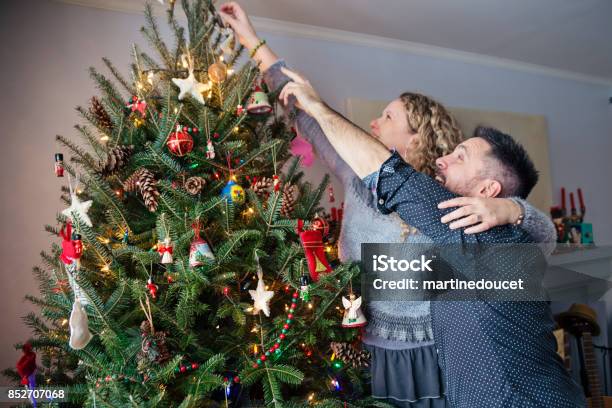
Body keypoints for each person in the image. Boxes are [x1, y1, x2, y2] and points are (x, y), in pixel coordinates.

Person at [219, 4, 559, 407]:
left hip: (440, 351)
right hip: (364, 344)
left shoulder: (451, 199)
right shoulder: (358, 178)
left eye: (387, 116)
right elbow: (306, 112)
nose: (374, 125)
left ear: (416, 137)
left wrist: (513, 209)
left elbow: (536, 244)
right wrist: (249, 39)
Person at [274, 68, 587, 407]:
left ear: (486, 190)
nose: (441, 160)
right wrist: (514, 210)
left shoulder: (470, 234)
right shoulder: (502, 243)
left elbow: (389, 174)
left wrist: (317, 106)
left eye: (459, 157)